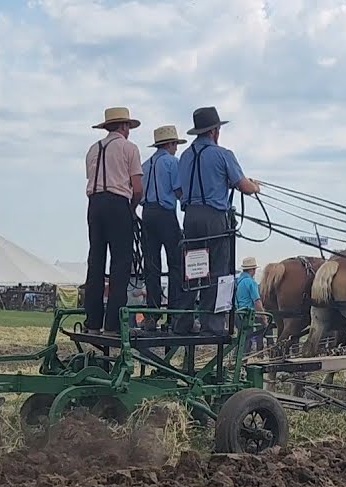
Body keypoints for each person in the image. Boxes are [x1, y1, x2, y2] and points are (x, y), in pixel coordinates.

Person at [174, 106, 261, 335]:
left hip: (190, 216)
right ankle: (212, 324)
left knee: (193, 267)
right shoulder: (223, 154)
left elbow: (178, 191)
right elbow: (244, 186)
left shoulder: (184, 157)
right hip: (214, 217)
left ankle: (183, 322)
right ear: (214, 131)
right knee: (218, 270)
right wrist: (256, 186)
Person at [84, 106, 143, 333]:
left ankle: (93, 321)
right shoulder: (129, 148)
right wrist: (132, 207)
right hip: (118, 203)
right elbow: (137, 188)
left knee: (96, 260)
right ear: (124, 126)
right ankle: (114, 323)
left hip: (94, 204)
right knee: (121, 263)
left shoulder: (92, 149)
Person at [140, 124, 186, 331]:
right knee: (176, 264)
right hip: (166, 214)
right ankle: (175, 313)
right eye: (175, 143)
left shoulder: (145, 165)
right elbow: (178, 191)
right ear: (170, 143)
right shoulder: (172, 162)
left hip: (147, 213)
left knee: (152, 265)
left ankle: (152, 314)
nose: (176, 147)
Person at [236, 256, 265, 351]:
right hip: (248, 315)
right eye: (254, 269)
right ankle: (259, 352)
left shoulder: (238, 282)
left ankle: (236, 359)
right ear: (252, 270)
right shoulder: (251, 282)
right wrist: (263, 316)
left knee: (242, 340)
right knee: (249, 340)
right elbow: (257, 301)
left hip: (239, 314)